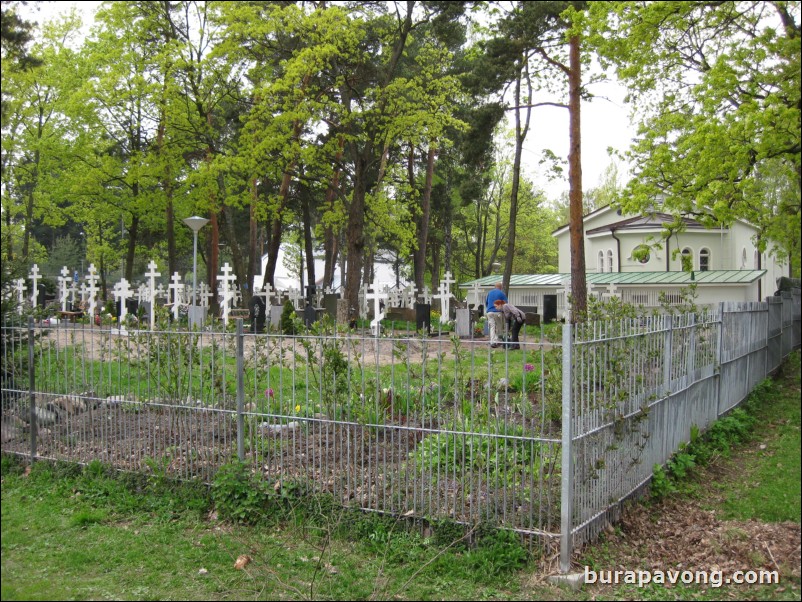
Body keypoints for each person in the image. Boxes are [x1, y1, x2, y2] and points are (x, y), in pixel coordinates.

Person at [485, 282, 507, 348]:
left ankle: (492, 342)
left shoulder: (489, 293)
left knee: (492, 327)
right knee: (498, 327)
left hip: (489, 312)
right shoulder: (501, 293)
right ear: (501, 287)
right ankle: (497, 341)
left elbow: (486, 303)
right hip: (497, 312)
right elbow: (505, 303)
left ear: (495, 286)